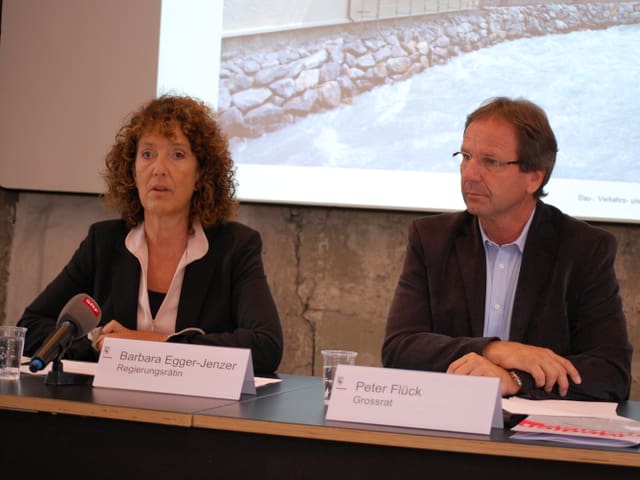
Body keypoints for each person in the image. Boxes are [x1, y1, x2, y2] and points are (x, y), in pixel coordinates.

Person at [382, 97, 632, 401]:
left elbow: (610, 373)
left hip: (539, 441)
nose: (470, 174)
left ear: (534, 177)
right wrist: (495, 349)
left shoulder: (584, 249)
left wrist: (514, 379)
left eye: (490, 161)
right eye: (466, 156)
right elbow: (400, 348)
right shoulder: (432, 239)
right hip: (448, 424)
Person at [18, 94, 283, 374]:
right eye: (147, 154)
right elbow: (31, 325)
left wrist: (146, 343)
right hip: (110, 409)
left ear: (201, 174)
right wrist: (98, 345)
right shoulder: (104, 243)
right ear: (132, 171)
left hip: (197, 410)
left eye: (177, 155)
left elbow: (266, 347)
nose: (159, 169)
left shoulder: (235, 247)